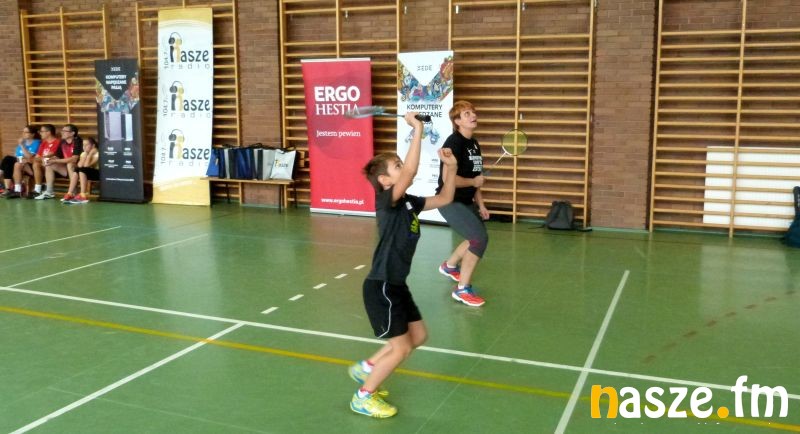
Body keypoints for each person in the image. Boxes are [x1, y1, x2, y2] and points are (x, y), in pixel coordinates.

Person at [349, 112, 458, 418]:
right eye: (395, 166)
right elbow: (410, 171)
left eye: (400, 163)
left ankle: (368, 367)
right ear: (385, 181)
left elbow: (445, 198)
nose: (402, 167)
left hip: (397, 284)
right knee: (401, 348)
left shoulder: (408, 202)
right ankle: (363, 396)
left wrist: (451, 168)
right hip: (381, 285)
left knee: (418, 337)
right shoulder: (387, 201)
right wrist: (417, 128)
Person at [436, 100, 489, 307]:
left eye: (473, 112)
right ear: (457, 121)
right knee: (478, 238)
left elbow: (476, 178)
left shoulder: (474, 143)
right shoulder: (453, 143)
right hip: (449, 200)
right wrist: (474, 182)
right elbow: (447, 179)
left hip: (466, 200)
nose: (473, 115)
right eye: (467, 113)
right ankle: (462, 289)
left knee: (473, 237)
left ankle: (449, 266)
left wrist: (481, 204)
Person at [35, 124, 82, 200]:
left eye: (65, 131)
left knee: (70, 164)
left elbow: (74, 159)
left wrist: (56, 160)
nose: (62, 132)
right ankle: (49, 192)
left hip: (79, 169)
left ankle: (73, 193)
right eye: (62, 131)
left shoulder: (77, 141)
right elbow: (57, 156)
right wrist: (49, 160)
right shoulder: (62, 142)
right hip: (66, 169)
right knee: (49, 164)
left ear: (72, 133)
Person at [2, 125, 41, 198]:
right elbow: (17, 155)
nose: (23, 134)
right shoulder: (23, 142)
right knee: (12, 162)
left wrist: (22, 145)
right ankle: (17, 190)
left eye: (26, 132)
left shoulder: (36, 143)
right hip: (20, 163)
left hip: (30, 165)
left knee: (8, 159)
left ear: (32, 134)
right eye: (23, 132)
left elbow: (29, 156)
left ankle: (8, 188)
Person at [67, 137, 99, 204]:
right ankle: (70, 193)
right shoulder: (83, 153)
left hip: (98, 174)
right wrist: (85, 155)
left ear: (93, 146)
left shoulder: (97, 154)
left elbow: (86, 165)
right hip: (87, 172)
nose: (84, 147)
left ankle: (83, 194)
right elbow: (79, 165)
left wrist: (89, 155)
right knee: (77, 170)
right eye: (83, 145)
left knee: (82, 170)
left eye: (86, 145)